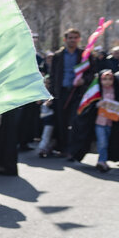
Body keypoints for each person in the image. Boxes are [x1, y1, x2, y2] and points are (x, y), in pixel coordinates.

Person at [48, 28, 94, 156]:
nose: (73, 40)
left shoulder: (85, 55)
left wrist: (83, 80)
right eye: (70, 38)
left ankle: (73, 149)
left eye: (75, 38)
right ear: (65, 39)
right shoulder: (58, 56)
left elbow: (92, 74)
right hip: (61, 92)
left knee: (75, 121)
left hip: (78, 93)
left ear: (79, 39)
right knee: (61, 122)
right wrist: (51, 94)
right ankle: (62, 147)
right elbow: (52, 76)